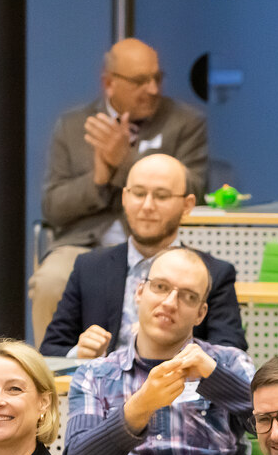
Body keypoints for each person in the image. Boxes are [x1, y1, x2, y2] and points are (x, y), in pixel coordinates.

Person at [33, 38, 208, 336]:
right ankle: (51, 376)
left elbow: (195, 191)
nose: (152, 89)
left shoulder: (184, 123)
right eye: (140, 81)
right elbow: (54, 207)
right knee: (51, 280)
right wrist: (99, 179)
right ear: (109, 83)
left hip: (158, 246)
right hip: (83, 245)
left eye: (157, 78)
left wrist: (124, 162)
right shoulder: (73, 126)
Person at [65, 247, 255, 455]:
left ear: (200, 314)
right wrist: (139, 408)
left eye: (188, 296)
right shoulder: (94, 374)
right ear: (139, 292)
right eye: (160, 287)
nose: (170, 303)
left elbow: (276, 424)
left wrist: (217, 378)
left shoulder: (230, 362)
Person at [41, 153, 243, 358]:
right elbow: (51, 350)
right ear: (124, 198)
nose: (147, 206)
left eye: (161, 196)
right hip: (102, 386)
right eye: (138, 194)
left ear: (187, 205)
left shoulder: (213, 274)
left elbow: (231, 356)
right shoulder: (90, 267)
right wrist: (79, 353)